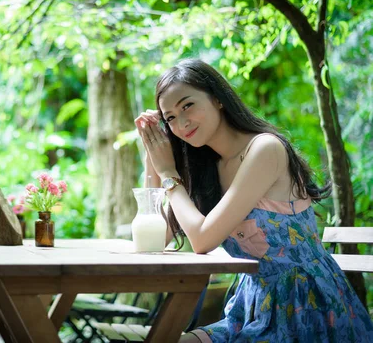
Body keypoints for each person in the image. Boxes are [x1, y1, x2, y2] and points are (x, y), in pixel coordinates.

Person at [134, 59, 373, 342]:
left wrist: (168, 174)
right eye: (170, 117)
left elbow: (202, 240)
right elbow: (155, 240)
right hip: (252, 309)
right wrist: (154, 157)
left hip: (307, 308)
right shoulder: (207, 167)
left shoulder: (264, 149)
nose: (181, 122)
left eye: (188, 105)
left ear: (217, 99)